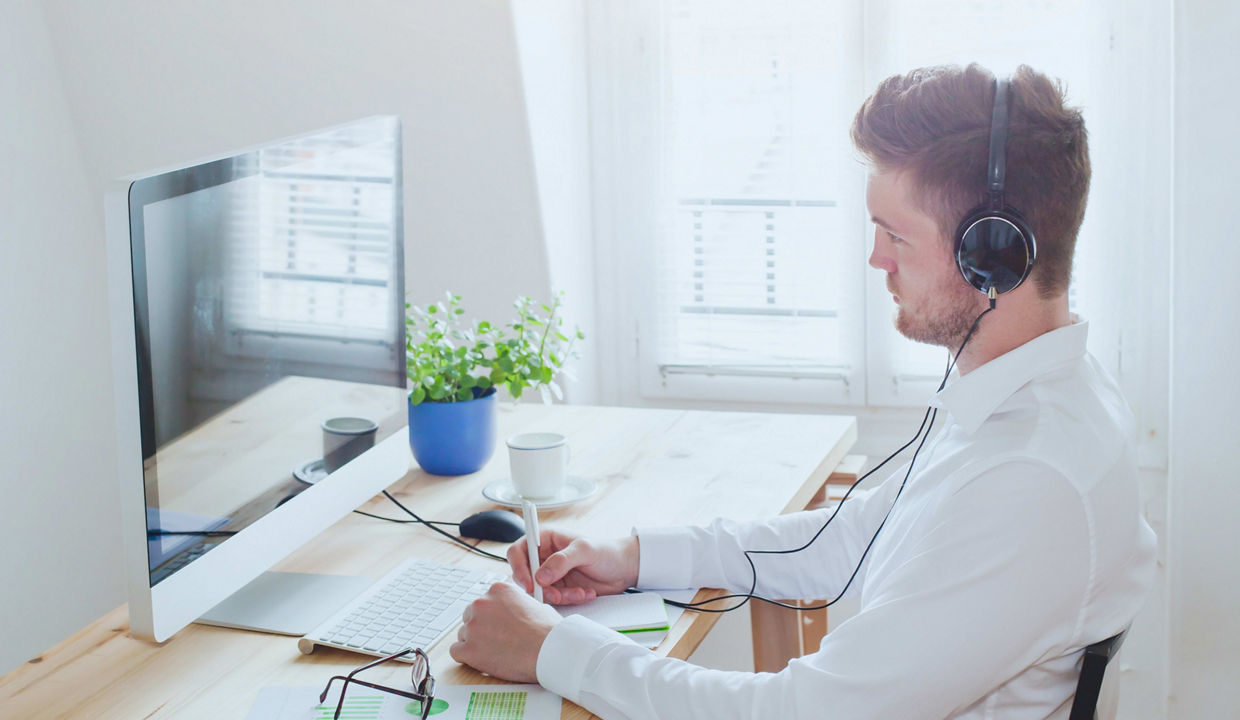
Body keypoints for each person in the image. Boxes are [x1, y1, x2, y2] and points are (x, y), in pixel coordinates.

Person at [449, 64, 1156, 719]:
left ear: (991, 254)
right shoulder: (1029, 397)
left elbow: (803, 713)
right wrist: (634, 556)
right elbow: (853, 539)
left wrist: (552, 650)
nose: (875, 258)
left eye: (894, 235)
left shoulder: (1030, 476)